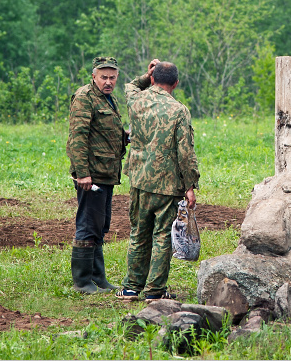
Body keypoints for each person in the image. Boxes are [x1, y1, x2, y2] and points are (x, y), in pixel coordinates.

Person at [116, 60, 199, 301]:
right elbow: (185, 152)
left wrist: (147, 73)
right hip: (167, 184)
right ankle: (154, 291)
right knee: (163, 236)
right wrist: (190, 186)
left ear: (153, 79)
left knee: (139, 233)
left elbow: (131, 86)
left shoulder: (136, 100)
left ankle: (131, 287)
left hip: (139, 180)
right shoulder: (179, 110)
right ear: (176, 83)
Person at [66, 56, 128, 294]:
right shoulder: (85, 97)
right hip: (91, 175)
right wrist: (82, 174)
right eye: (104, 77)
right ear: (94, 76)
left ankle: (98, 278)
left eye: (112, 77)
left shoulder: (108, 99)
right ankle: (82, 282)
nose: (108, 81)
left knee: (100, 225)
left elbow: (103, 132)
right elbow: (78, 137)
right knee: (88, 225)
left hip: (106, 172)